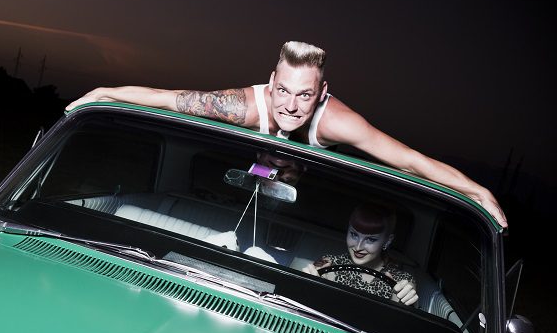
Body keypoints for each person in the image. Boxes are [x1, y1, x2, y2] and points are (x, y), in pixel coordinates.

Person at [66, 41, 507, 228]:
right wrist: (103, 91)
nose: (290, 106)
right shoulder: (244, 106)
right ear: (270, 81)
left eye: (304, 95)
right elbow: (167, 98)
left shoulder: (337, 123)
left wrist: (477, 190)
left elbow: (412, 161)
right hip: (248, 180)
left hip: (306, 198)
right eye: (282, 90)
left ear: (321, 94)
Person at [302, 203, 418, 306]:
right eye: (354, 234)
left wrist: (407, 300)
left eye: (371, 240)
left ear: (387, 241)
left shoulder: (401, 280)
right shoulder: (328, 264)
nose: (358, 247)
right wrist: (305, 283)